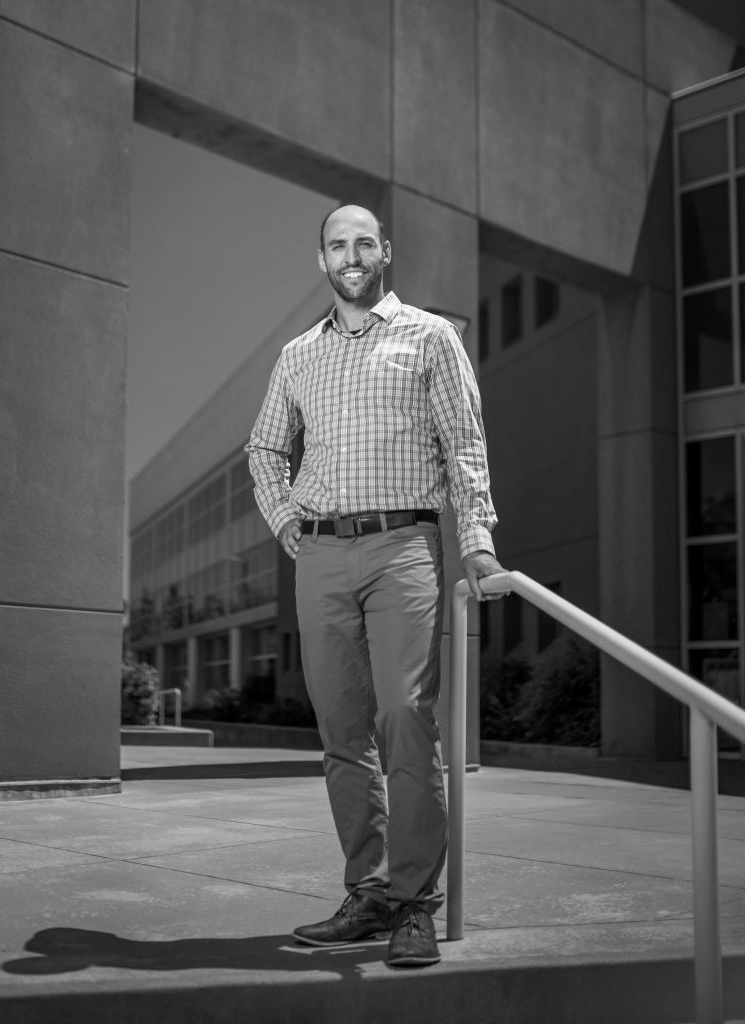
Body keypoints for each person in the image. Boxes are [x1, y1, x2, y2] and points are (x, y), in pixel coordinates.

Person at [246, 204, 503, 967]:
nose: (350, 255)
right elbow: (263, 447)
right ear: (320, 259)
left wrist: (478, 545)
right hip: (321, 554)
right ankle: (369, 892)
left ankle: (414, 905)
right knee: (342, 735)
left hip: (403, 549)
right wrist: (285, 520)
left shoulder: (429, 336)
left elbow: (464, 445)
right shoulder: (297, 355)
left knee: (404, 719)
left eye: (363, 242)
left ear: (384, 251)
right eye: (336, 244)